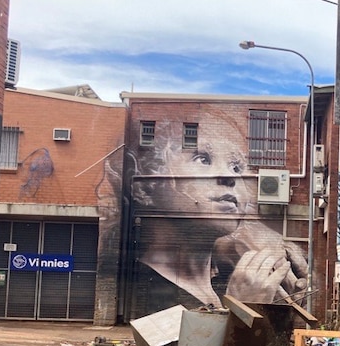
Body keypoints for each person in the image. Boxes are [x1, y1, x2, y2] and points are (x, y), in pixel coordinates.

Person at [132, 108, 308, 314]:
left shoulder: (234, 281)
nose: (229, 176)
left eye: (236, 168)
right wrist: (241, 311)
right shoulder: (147, 288)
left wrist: (280, 314)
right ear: (146, 186)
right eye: (203, 159)